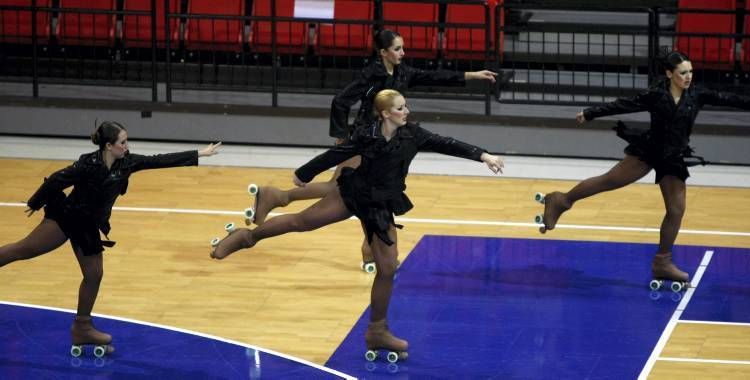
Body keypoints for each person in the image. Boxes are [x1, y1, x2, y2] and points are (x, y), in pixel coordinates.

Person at [209, 89, 504, 361]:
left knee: (388, 268)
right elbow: (337, 153)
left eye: (406, 107)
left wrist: (484, 155)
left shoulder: (413, 134)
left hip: (380, 205)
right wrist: (305, 173)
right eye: (401, 108)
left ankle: (377, 331)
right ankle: (247, 236)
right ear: (386, 113)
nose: (407, 111)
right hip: (354, 194)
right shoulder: (367, 134)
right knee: (302, 222)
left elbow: (447, 144)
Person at [244, 29, 499, 273]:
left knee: (351, 191)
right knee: (346, 191)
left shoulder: (402, 72)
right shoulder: (371, 75)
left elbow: (435, 77)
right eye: (397, 49)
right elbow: (341, 100)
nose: (403, 53)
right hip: (367, 139)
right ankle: (279, 198)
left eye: (403, 48)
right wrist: (342, 137)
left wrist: (473, 75)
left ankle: (279, 197)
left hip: (385, 140)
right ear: (383, 52)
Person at [536, 50, 750, 291]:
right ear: (669, 74)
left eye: (690, 72)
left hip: (673, 158)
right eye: (682, 73)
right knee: (610, 180)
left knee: (676, 209)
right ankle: (561, 200)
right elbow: (625, 105)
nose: (688, 77)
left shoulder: (697, 95)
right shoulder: (656, 95)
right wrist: (590, 113)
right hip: (650, 150)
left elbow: (728, 98)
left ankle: (662, 262)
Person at [0, 121, 221, 357]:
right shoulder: (88, 163)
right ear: (108, 146)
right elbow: (57, 179)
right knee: (23, 250)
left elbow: (158, 160)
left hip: (87, 226)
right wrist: (35, 202)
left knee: (94, 274)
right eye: (122, 142)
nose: (127, 146)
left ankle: (82, 327)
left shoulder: (127, 163)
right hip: (67, 218)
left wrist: (200, 153)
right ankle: (82, 325)